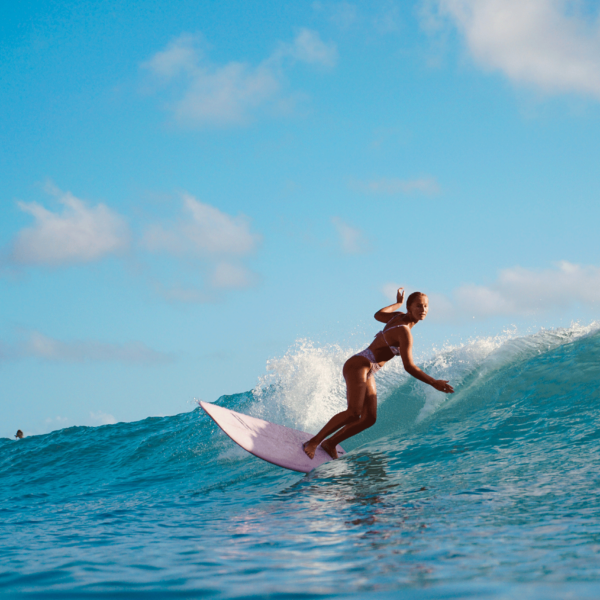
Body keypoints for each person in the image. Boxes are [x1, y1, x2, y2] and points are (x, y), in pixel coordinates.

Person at [303, 288, 454, 460]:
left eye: (426, 306)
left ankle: (330, 443)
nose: (423, 310)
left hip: (368, 369)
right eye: (419, 306)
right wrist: (434, 382)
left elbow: (378, 314)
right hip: (359, 364)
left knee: (369, 418)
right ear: (409, 307)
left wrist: (396, 304)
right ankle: (314, 442)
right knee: (353, 412)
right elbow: (409, 366)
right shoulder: (404, 331)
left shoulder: (396, 316)